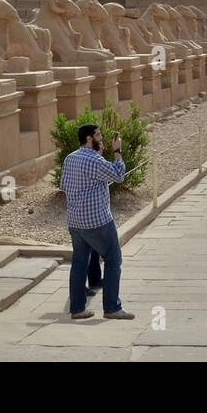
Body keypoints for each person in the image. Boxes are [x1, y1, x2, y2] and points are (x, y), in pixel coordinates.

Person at [62, 123, 134, 320]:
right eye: (98, 136)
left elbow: (64, 185)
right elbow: (118, 175)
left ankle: (77, 309)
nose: (101, 139)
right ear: (88, 138)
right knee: (113, 259)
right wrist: (117, 152)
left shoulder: (70, 158)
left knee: (78, 263)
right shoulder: (94, 160)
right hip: (97, 220)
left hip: (75, 221)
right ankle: (112, 307)